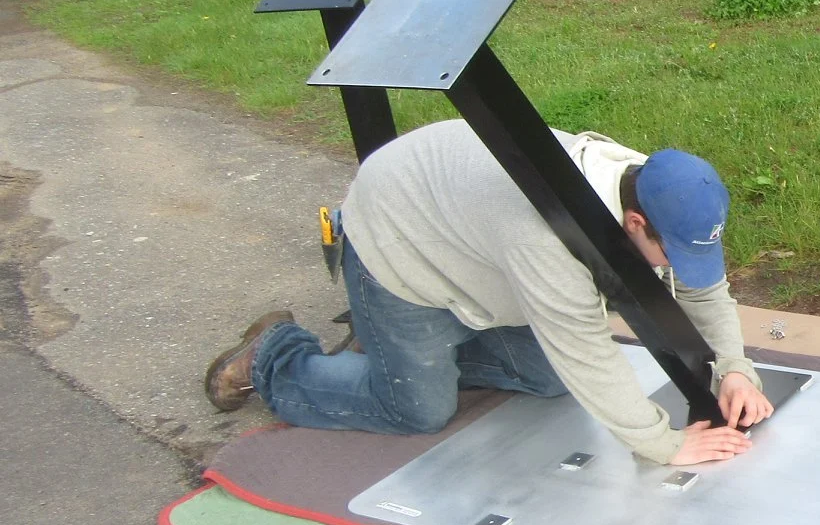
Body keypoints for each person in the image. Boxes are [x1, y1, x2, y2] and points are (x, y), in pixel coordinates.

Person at [203, 120, 768, 468]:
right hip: (402, 251)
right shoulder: (547, 236)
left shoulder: (651, 186)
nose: (678, 266)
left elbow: (704, 288)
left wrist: (735, 369)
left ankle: (389, 343)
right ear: (636, 222)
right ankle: (275, 355)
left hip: (468, 244)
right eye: (672, 252)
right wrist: (661, 444)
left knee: (548, 383)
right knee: (416, 409)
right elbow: (584, 348)